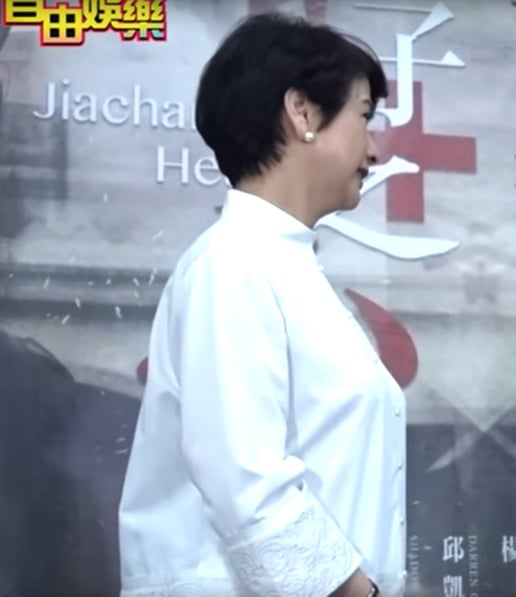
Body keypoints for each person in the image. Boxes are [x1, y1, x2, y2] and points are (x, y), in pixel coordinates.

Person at [117, 13, 406, 597]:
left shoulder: (281, 263)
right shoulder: (232, 267)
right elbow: (245, 485)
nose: (374, 151)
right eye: (364, 117)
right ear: (302, 112)